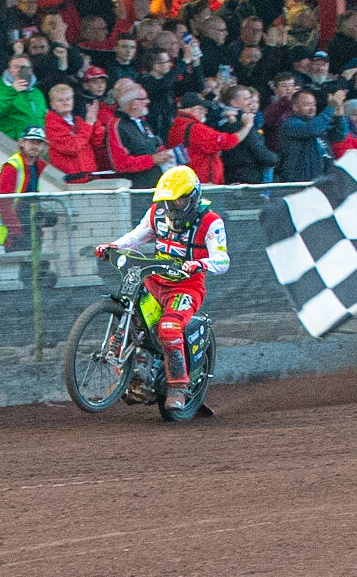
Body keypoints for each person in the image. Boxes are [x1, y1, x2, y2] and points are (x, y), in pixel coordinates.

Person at [94, 165, 228, 410]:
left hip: (186, 288)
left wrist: (200, 264)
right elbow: (137, 236)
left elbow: (223, 260)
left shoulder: (211, 221)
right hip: (154, 282)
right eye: (168, 201)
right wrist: (112, 245)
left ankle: (178, 386)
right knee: (129, 322)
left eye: (180, 199)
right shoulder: (156, 213)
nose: (173, 206)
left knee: (168, 328)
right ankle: (128, 378)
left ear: (194, 196)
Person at [0, 125, 48, 251]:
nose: (35, 146)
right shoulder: (12, 166)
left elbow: (33, 198)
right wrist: (16, 231)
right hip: (14, 232)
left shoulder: (36, 166)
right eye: (31, 142)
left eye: (39, 143)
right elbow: (2, 203)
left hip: (28, 227)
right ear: (22, 143)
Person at [166, 92, 252, 184]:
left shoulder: (176, 126)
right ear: (191, 109)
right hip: (203, 182)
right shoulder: (196, 129)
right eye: (201, 109)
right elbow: (227, 141)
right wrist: (247, 126)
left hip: (186, 179)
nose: (204, 112)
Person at [106, 82, 175, 190]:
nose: (148, 101)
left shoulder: (142, 122)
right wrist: (151, 160)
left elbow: (155, 145)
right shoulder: (116, 126)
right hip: (137, 189)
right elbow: (120, 163)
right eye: (143, 98)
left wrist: (166, 154)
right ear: (133, 103)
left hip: (157, 185)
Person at [279, 88, 349, 182]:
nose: (312, 108)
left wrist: (339, 117)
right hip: (300, 183)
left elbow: (340, 135)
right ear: (295, 107)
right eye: (307, 105)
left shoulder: (318, 123)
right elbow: (310, 129)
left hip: (323, 181)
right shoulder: (289, 124)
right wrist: (331, 106)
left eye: (314, 104)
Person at [44, 83, 104, 177]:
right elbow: (72, 147)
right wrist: (89, 124)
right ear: (52, 105)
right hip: (71, 179)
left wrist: (95, 122)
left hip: (90, 175)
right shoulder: (52, 125)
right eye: (60, 100)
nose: (65, 102)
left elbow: (96, 142)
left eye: (68, 99)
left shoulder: (79, 121)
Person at [0, 54, 48, 140]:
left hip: (37, 143)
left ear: (30, 70)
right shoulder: (3, 91)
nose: (20, 70)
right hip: (13, 142)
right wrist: (12, 91)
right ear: (9, 70)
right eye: (16, 67)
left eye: (24, 67)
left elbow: (44, 117)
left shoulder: (36, 93)